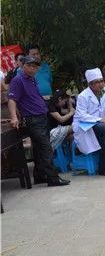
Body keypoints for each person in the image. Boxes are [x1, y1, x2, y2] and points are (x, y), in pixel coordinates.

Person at [7, 55, 69, 186]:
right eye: (29, 66)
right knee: (46, 148)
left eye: (35, 66)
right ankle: (53, 178)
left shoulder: (32, 79)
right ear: (23, 66)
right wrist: (13, 117)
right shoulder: (17, 80)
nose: (32, 68)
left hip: (42, 117)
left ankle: (39, 176)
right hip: (32, 119)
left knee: (39, 149)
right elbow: (12, 100)